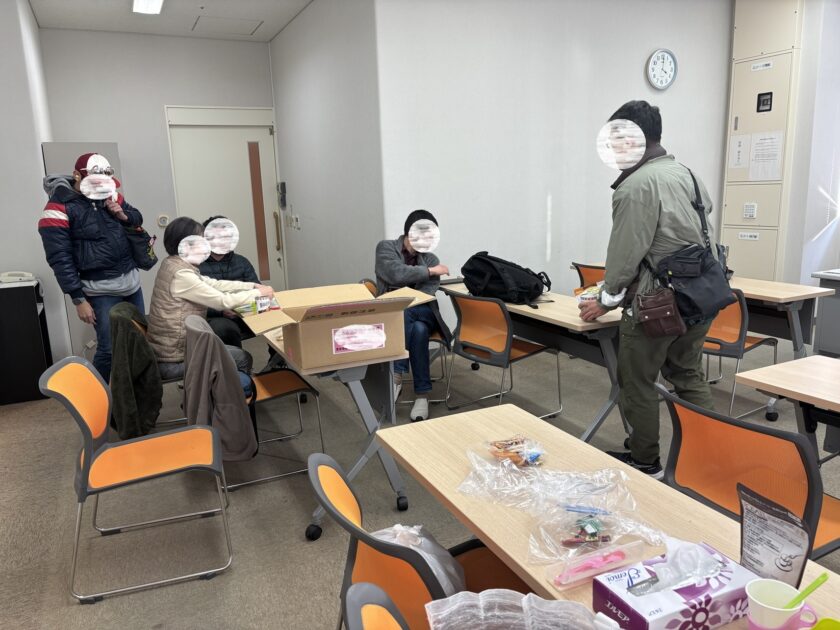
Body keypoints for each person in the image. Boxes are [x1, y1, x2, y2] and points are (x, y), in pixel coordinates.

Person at [579, 100, 716, 479]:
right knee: (688, 375)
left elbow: (625, 255)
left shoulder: (636, 186)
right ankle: (715, 455)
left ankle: (645, 461)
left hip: (657, 304)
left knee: (636, 381)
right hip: (700, 295)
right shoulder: (688, 175)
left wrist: (605, 301)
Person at [39, 153, 146, 382]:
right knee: (108, 349)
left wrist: (122, 214)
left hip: (131, 284)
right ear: (77, 176)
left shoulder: (111, 194)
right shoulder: (58, 207)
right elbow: (59, 257)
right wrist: (78, 299)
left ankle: (133, 393)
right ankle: (100, 397)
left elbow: (136, 218)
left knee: (139, 340)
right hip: (99, 290)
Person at [146, 216, 274, 381]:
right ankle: (234, 396)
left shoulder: (173, 263)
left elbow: (214, 284)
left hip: (171, 350)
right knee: (242, 358)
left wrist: (252, 286)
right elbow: (222, 302)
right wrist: (258, 293)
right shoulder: (182, 274)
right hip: (174, 358)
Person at [375, 210, 452, 421]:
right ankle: (422, 396)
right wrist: (430, 271)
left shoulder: (430, 258)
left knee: (406, 310)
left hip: (424, 310)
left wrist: (408, 291)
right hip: (393, 316)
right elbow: (395, 273)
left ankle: (396, 375)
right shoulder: (385, 248)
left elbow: (427, 292)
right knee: (418, 330)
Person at [199, 216, 260, 348]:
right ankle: (237, 361)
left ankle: (277, 359)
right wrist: (221, 311)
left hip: (245, 311)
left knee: (280, 319)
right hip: (216, 317)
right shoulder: (196, 266)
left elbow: (258, 292)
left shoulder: (242, 262)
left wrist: (247, 306)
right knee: (224, 329)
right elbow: (195, 303)